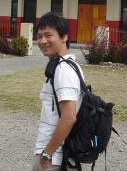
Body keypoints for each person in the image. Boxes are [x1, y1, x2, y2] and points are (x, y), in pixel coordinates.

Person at [32, 12, 83, 171]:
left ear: (64, 37)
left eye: (48, 35)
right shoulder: (64, 66)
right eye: (39, 36)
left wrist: (46, 155)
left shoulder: (64, 70)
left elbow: (69, 117)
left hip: (54, 158)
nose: (43, 41)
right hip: (59, 155)